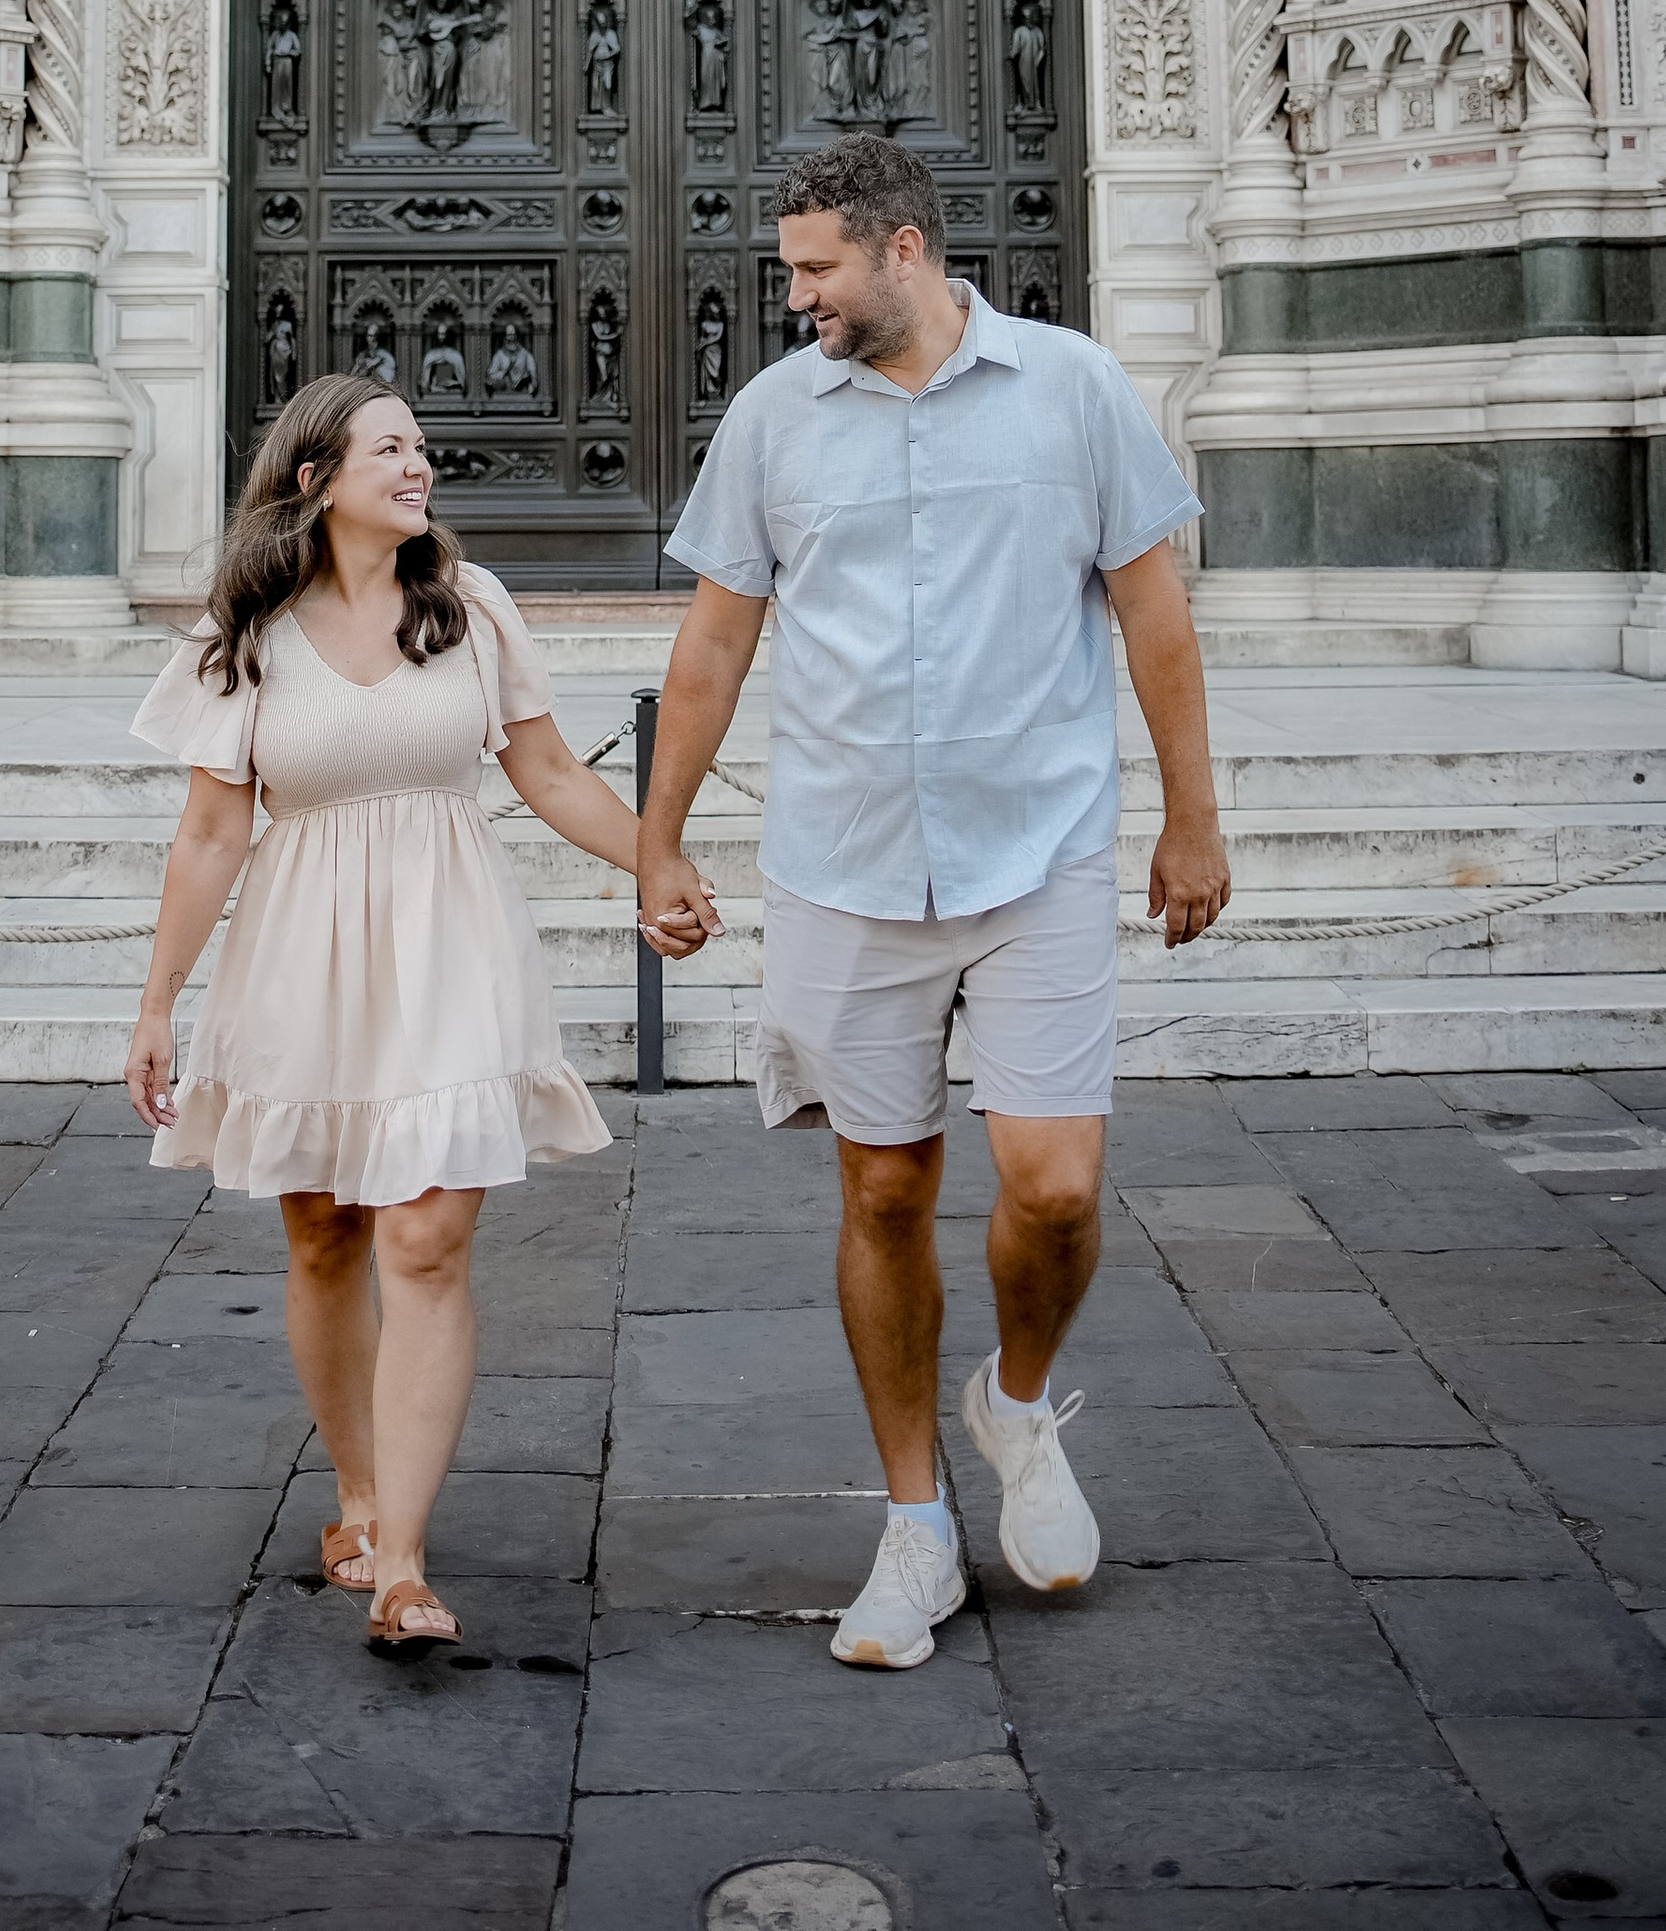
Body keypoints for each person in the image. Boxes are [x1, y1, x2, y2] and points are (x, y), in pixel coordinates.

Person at [638, 134, 1229, 1672]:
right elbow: (710, 652)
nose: (796, 297)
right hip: (843, 864)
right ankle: (914, 1527)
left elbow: (1153, 610)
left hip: (1036, 852)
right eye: (790, 271)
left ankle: (1017, 1403)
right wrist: (660, 841)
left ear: (905, 252)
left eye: (816, 268)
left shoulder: (1074, 390)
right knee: (885, 1193)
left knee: (1053, 1189)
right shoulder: (774, 420)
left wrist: (1193, 818)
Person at [126, 377, 714, 1654]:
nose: (420, 464)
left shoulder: (470, 607)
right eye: (390, 447)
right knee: (328, 1234)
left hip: (452, 946)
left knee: (429, 1238)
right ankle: (352, 1489)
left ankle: (401, 1562)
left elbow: (550, 771)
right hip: (302, 955)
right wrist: (158, 1000)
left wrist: (655, 863)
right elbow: (212, 831)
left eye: (420, 446)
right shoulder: (243, 635)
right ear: (315, 476)